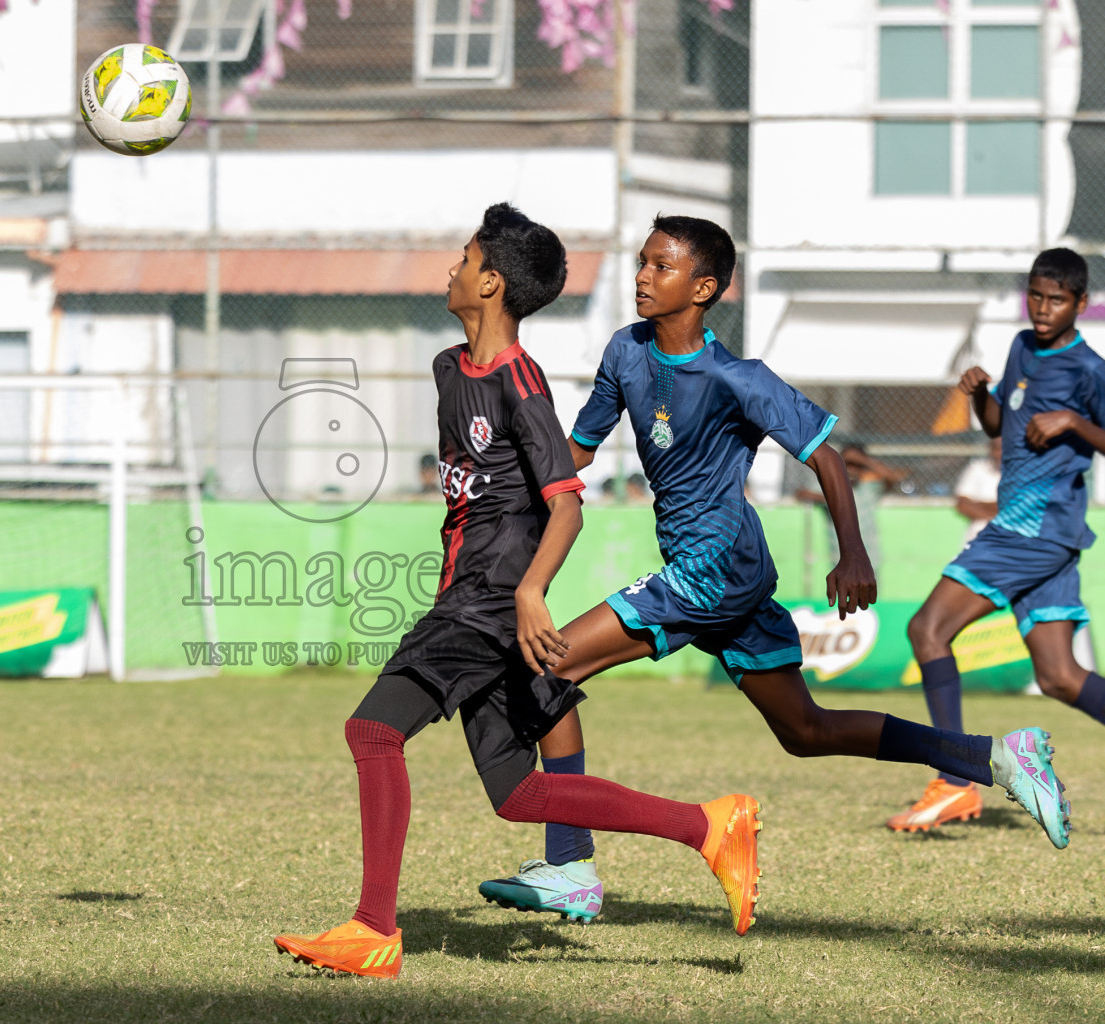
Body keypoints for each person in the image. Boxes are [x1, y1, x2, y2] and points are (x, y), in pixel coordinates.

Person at [473, 216, 1070, 931]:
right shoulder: (625, 351)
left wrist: (853, 550)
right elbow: (578, 449)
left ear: (704, 289)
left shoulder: (738, 379)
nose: (640, 276)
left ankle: (569, 866)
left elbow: (824, 454)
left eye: (661, 267)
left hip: (712, 572)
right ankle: (1000, 757)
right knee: (806, 730)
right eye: (641, 262)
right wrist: (495, 481)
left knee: (546, 674)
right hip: (731, 574)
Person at [888, 248, 1105, 834]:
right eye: (1035, 295)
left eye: (1056, 299)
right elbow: (999, 426)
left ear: (1080, 305)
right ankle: (956, 781)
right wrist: (981, 394)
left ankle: (955, 781)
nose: (1042, 308)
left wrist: (1076, 424)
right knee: (1061, 677)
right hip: (1045, 536)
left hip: (1031, 530)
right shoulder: (1021, 346)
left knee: (926, 630)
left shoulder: (1089, 370)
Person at [796, 441, 907, 571]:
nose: (852, 470)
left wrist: (863, 460)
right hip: (841, 561)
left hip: (870, 559)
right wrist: (832, 497)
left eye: (857, 465)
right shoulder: (830, 488)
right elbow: (801, 493)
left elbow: (895, 477)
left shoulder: (869, 488)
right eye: (847, 464)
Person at [953, 434, 1003, 544]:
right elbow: (963, 505)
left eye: (1004, 449)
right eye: (996, 448)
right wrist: (997, 517)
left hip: (1008, 544)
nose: (1000, 454)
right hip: (976, 540)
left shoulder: (1023, 473)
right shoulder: (977, 468)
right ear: (990, 449)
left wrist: (978, 504)